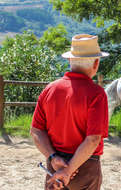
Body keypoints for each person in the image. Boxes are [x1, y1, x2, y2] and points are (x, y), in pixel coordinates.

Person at [30, 34, 109, 190]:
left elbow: (36, 131)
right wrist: (69, 170)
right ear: (96, 63)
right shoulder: (96, 94)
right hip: (85, 168)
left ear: (69, 60)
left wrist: (53, 158)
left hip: (55, 167)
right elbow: (92, 140)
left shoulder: (49, 89)